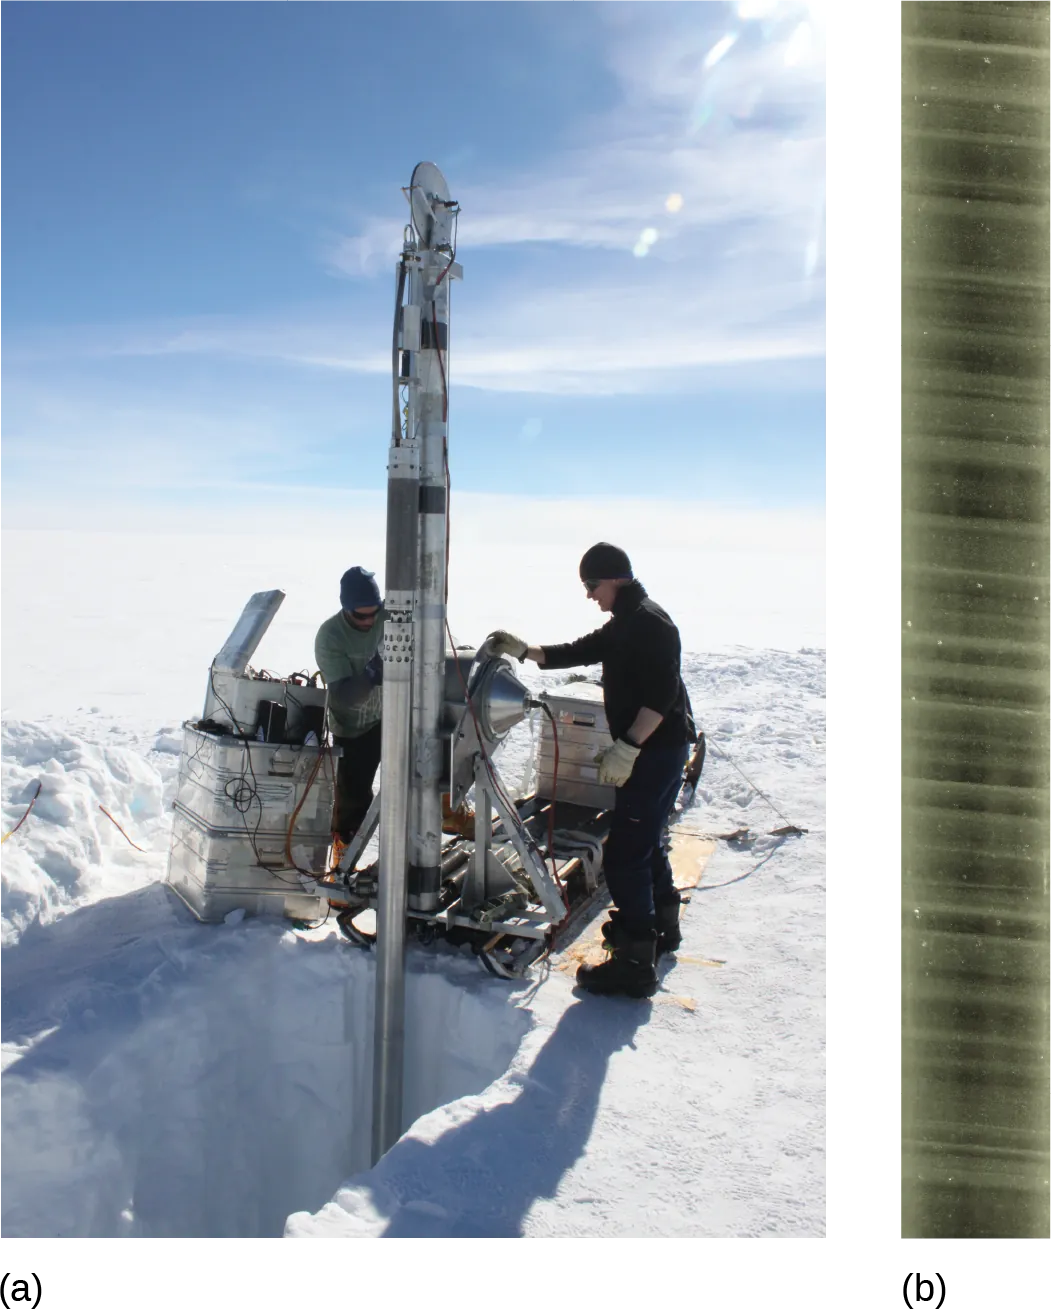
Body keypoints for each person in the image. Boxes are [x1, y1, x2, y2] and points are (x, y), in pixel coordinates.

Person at [488, 542, 696, 999]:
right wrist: (525, 650)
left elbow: (661, 695)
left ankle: (634, 963)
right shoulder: (627, 622)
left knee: (625, 854)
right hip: (650, 753)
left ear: (615, 578)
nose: (589, 595)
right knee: (645, 840)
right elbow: (579, 650)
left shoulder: (651, 623)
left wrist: (628, 747)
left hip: (655, 753)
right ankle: (664, 926)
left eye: (591, 585)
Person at [315, 566, 385, 865]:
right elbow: (343, 695)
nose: (369, 620)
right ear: (346, 609)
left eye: (374, 612)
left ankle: (448, 815)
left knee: (427, 772)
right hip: (354, 728)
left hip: (393, 717)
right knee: (354, 799)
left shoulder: (391, 618)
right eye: (361, 615)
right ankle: (344, 859)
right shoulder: (330, 635)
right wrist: (372, 673)